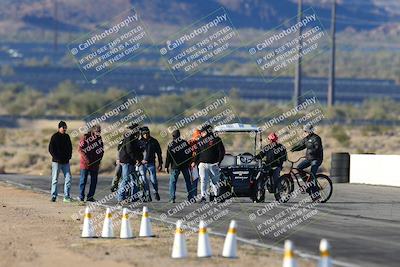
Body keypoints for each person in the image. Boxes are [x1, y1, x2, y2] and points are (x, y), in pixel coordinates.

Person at [291, 124, 323, 201]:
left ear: (310, 131)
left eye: (306, 131)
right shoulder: (306, 138)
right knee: (299, 168)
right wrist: (294, 149)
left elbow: (317, 147)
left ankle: (316, 195)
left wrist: (312, 151)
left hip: (316, 159)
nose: (304, 132)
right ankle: (307, 183)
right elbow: (301, 146)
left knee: (312, 176)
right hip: (309, 159)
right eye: (304, 131)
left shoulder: (316, 138)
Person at [195, 124, 225, 203]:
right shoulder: (200, 140)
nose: (201, 133)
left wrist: (218, 161)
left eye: (203, 132)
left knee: (214, 182)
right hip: (203, 165)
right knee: (204, 180)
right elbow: (198, 152)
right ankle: (203, 196)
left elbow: (222, 152)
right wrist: (196, 162)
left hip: (213, 164)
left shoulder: (216, 139)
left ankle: (216, 196)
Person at [165, 130, 193, 203]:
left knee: (173, 182)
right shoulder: (185, 143)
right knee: (188, 182)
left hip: (175, 166)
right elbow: (190, 153)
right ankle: (190, 198)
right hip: (184, 165)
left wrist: (166, 166)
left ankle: (172, 198)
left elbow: (168, 157)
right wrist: (188, 162)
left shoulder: (171, 145)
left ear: (173, 136)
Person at [117, 123, 143, 204]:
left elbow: (136, 150)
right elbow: (129, 150)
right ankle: (121, 198)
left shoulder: (134, 138)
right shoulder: (129, 137)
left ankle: (134, 197)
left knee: (134, 179)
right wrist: (136, 159)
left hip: (131, 161)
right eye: (138, 129)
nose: (139, 131)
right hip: (126, 161)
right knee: (126, 179)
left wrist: (139, 159)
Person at [48, 121, 73, 203]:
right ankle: (54, 196)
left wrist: (69, 156)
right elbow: (51, 149)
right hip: (56, 162)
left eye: (66, 127)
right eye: (63, 127)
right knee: (55, 179)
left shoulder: (67, 136)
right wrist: (56, 158)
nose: (65, 129)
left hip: (66, 162)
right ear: (59, 128)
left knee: (68, 178)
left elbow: (70, 148)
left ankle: (66, 196)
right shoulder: (54, 137)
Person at [78, 124, 104, 202]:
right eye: (97, 131)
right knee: (83, 180)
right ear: (93, 131)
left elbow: (101, 150)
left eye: (100, 131)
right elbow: (80, 149)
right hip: (85, 164)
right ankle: (81, 197)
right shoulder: (86, 137)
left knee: (94, 181)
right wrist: (87, 160)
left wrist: (99, 159)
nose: (99, 133)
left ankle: (90, 197)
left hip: (95, 164)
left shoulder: (99, 139)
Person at [138, 126, 163, 201]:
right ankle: (147, 194)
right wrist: (139, 160)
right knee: (144, 180)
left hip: (151, 163)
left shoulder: (154, 141)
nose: (146, 135)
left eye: (147, 133)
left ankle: (155, 192)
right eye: (144, 134)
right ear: (142, 134)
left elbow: (159, 153)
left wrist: (160, 163)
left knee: (153, 180)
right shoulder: (139, 142)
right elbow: (136, 153)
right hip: (142, 164)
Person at [188, 128, 201, 197]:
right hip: (193, 164)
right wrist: (192, 162)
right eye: (197, 136)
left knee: (201, 180)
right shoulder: (190, 142)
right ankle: (193, 195)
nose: (199, 137)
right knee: (194, 180)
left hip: (200, 163)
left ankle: (200, 196)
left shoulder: (201, 142)